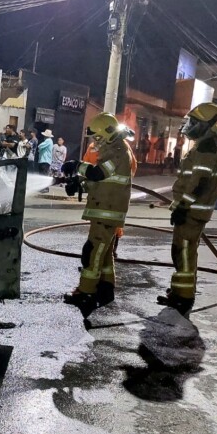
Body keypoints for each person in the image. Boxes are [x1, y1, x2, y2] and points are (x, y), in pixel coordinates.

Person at [157, 102, 217, 316]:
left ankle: (184, 298)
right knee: (182, 251)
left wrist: (184, 206)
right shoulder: (204, 144)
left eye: (195, 122)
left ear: (209, 125)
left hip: (193, 211)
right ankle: (179, 292)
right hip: (191, 210)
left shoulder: (207, 147)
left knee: (184, 253)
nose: (191, 125)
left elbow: (199, 182)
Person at [63, 113, 133, 318]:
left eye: (98, 138)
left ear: (108, 135)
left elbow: (98, 173)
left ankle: (85, 292)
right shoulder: (114, 150)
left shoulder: (118, 152)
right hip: (106, 210)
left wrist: (77, 165)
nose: (95, 142)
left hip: (107, 212)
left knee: (92, 252)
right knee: (105, 252)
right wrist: (80, 184)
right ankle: (105, 287)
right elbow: (101, 181)